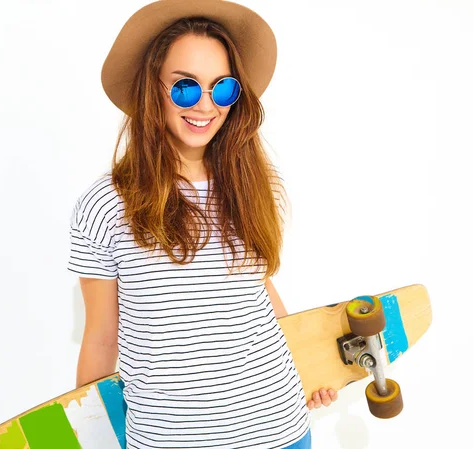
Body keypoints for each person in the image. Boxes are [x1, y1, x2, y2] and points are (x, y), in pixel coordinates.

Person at [67, 1, 337, 448]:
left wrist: (309, 366)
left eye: (222, 88)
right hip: (171, 439)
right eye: (185, 88)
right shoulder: (106, 205)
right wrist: (91, 435)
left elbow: (258, 290)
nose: (205, 105)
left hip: (280, 431)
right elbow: (101, 336)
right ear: (152, 89)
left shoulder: (256, 185)